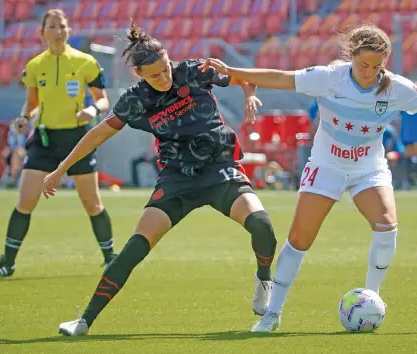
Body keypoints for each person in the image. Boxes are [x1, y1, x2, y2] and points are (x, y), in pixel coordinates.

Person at [198, 24, 417, 332]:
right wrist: (233, 70)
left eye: (376, 66)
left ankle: (372, 297)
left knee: (386, 225)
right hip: (326, 165)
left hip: (368, 169)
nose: (369, 72)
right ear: (351, 56)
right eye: (363, 64)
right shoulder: (329, 78)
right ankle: (272, 314)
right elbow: (280, 78)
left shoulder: (395, 88)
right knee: (300, 239)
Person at [43, 20, 277, 336]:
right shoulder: (135, 100)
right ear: (139, 74)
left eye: (166, 69)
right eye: (155, 75)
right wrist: (60, 169)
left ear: (169, 58)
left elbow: (242, 77)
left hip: (220, 170)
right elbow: (97, 134)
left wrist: (249, 95)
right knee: (135, 248)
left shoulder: (194, 70)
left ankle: (264, 279)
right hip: (177, 180)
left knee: (262, 226)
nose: (164, 78)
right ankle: (84, 320)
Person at [0, 9, 116, 279]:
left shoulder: (86, 62)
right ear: (42, 33)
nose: (58, 31)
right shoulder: (36, 65)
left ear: (69, 31)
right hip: (45, 140)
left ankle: (110, 257)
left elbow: (103, 100)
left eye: (62, 26)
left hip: (77, 139)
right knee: (25, 200)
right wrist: (24, 117)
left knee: (92, 203)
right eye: (52, 26)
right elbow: (32, 102)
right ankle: (8, 261)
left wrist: (92, 111)